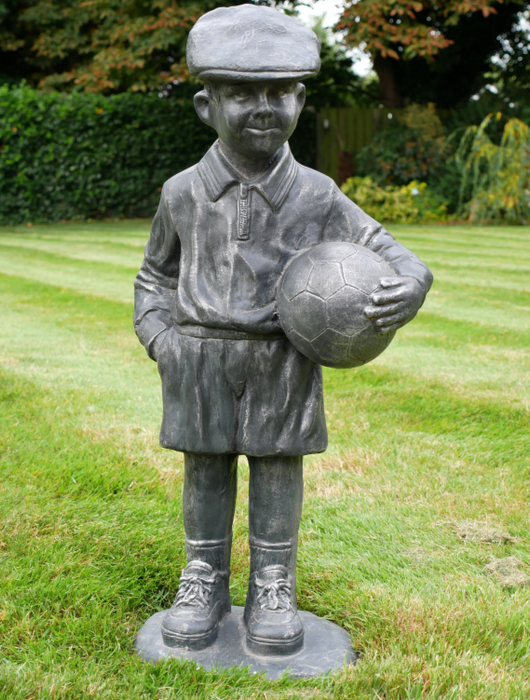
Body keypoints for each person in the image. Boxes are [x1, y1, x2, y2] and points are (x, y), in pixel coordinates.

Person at [133, 4, 433, 656]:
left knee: (277, 472)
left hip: (283, 362)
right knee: (205, 471)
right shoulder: (181, 192)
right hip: (201, 358)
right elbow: (154, 277)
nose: (262, 107)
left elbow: (402, 259)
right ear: (204, 107)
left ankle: (273, 581)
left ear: (301, 99)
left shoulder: (319, 195)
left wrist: (409, 288)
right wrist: (161, 339)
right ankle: (203, 577)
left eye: (279, 92)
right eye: (241, 93)